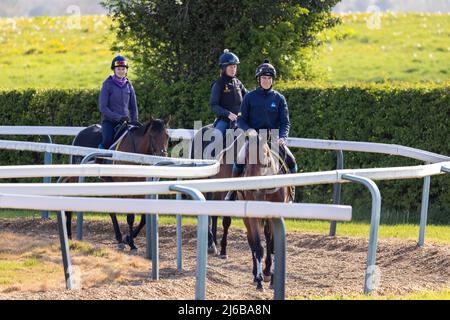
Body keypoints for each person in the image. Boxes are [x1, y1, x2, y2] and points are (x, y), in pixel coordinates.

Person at [234, 59, 297, 176]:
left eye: (269, 78)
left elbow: (285, 123)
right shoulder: (249, 97)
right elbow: (240, 120)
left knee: (291, 160)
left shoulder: (279, 98)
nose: (266, 81)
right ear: (259, 79)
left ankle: (293, 191)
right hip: (254, 138)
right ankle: (231, 192)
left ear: (272, 80)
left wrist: (282, 137)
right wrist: (248, 130)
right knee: (239, 159)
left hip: (273, 138)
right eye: (264, 78)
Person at [98, 55, 138, 149]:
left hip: (125, 123)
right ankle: (98, 159)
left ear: (126, 70)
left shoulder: (129, 85)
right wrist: (118, 117)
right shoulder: (107, 84)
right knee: (107, 141)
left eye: (123, 69)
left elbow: (133, 107)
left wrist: (134, 121)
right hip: (109, 122)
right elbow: (103, 108)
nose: (121, 71)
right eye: (119, 69)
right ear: (114, 70)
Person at [210, 49, 248, 140]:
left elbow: (248, 96)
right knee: (216, 141)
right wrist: (228, 114)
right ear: (224, 68)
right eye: (230, 67)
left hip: (240, 121)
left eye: (235, 67)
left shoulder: (238, 83)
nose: (233, 69)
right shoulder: (218, 84)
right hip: (224, 121)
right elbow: (214, 105)